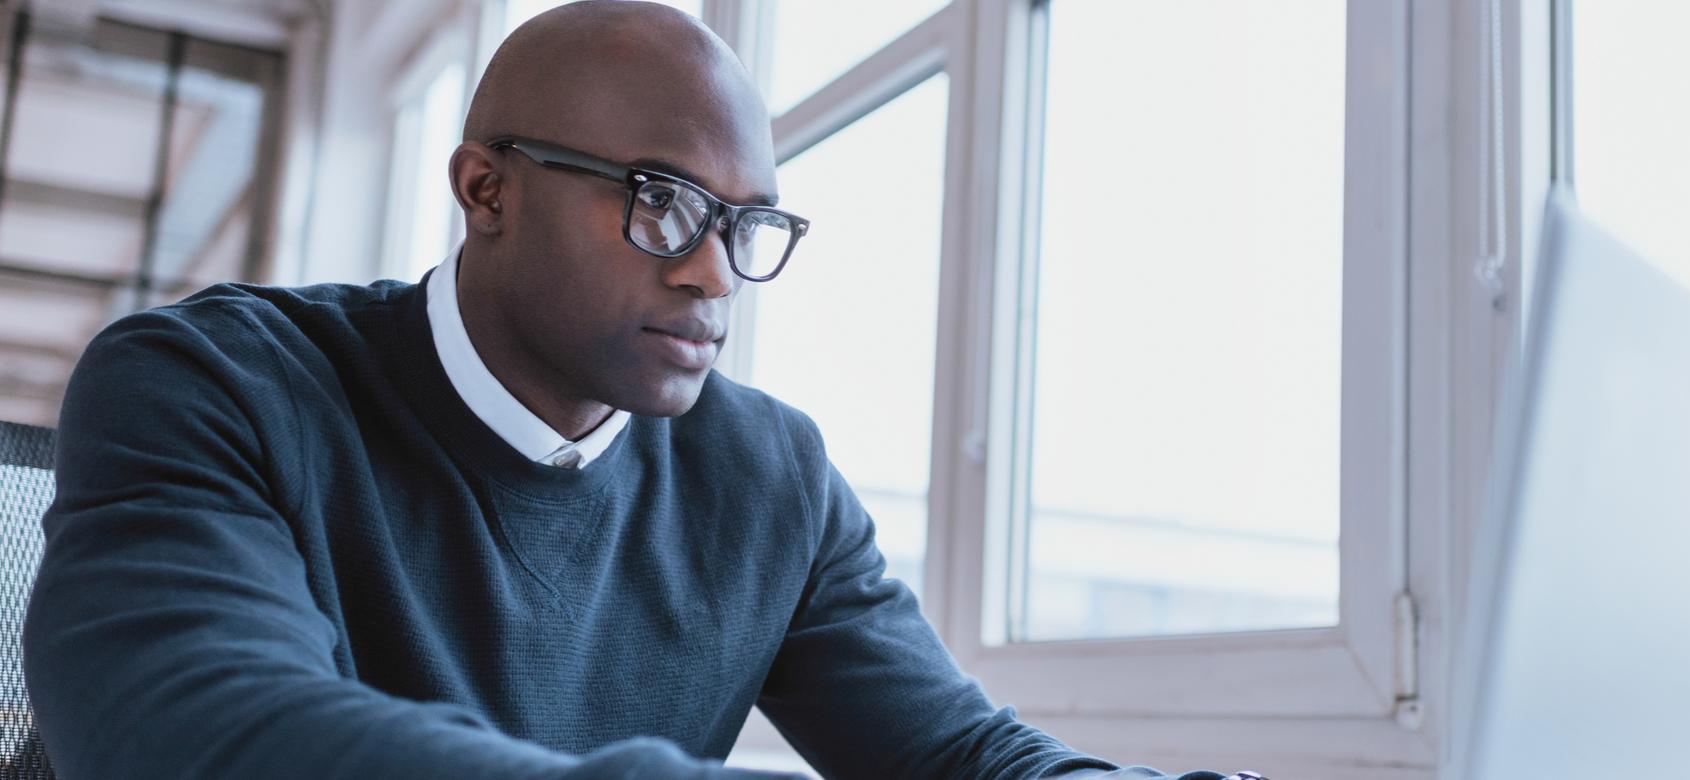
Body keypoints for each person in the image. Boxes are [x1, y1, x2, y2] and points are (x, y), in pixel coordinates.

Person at [20, 2, 1264, 779]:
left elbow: (953, 755)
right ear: (485, 190)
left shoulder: (771, 481)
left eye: (750, 223)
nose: (717, 272)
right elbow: (189, 733)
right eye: (662, 203)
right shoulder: (210, 385)